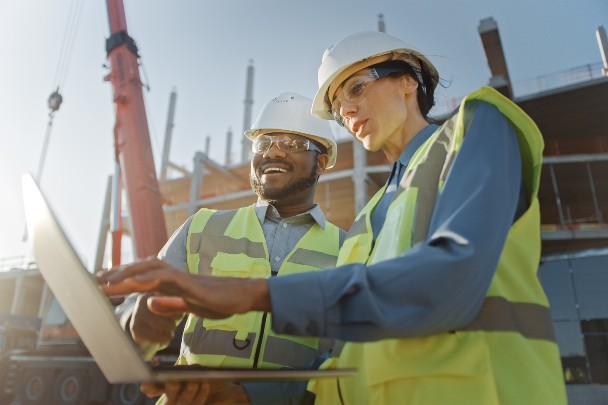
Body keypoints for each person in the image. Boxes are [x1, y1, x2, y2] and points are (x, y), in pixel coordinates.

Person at [102, 31, 567, 404]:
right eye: (339, 104)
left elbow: (449, 281)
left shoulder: (476, 127)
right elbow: (334, 362)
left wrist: (247, 293)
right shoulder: (367, 224)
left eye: (358, 88)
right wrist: (242, 394)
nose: (347, 109)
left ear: (408, 80)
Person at [109, 92, 344, 404]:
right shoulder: (202, 228)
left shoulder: (348, 250)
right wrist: (134, 326)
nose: (273, 153)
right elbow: (138, 307)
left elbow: (345, 361)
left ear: (322, 162)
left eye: (290, 144)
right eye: (263, 144)